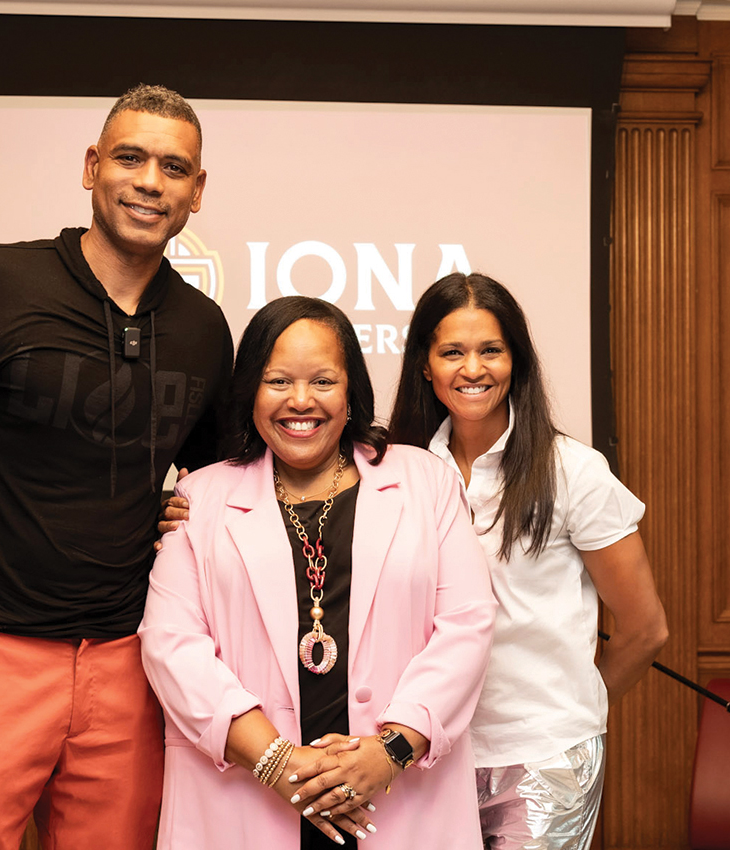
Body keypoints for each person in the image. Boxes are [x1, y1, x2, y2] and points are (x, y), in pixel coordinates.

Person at [0, 84, 233, 850]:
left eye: (172, 167)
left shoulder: (203, 328)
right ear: (93, 167)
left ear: (197, 191)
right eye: (129, 158)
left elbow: (224, 487)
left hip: (130, 667)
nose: (149, 182)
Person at [138, 296, 496, 849]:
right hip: (243, 801)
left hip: (400, 800)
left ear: (352, 392)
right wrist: (276, 763)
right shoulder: (200, 497)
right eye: (278, 380)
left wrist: (391, 752)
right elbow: (171, 645)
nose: (300, 401)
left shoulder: (426, 482)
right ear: (250, 393)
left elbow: (467, 626)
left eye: (323, 381)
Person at [387, 272, 669, 850]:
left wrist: (570, 716)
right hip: (429, 752)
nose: (473, 369)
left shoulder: (574, 472)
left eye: (491, 350)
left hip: (545, 757)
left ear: (516, 360)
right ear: (424, 365)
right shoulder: (397, 471)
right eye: (452, 352)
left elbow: (645, 630)